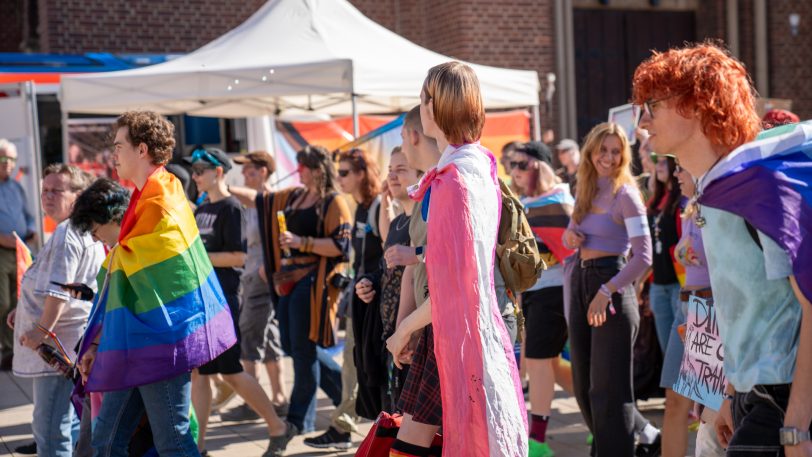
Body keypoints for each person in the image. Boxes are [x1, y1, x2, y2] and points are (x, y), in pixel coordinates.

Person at [75, 111, 293, 457]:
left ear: (141, 149)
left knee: (172, 442)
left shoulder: (162, 197)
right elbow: (131, 264)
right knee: (105, 441)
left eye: (119, 146)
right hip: (137, 338)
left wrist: (114, 260)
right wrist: (99, 338)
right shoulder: (150, 194)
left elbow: (146, 265)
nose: (112, 155)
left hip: (161, 340)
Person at [634, 42, 812, 457]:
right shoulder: (716, 190)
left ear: (695, 105)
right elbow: (742, 312)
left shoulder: (756, 187)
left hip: (784, 398)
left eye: (652, 104)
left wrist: (798, 422)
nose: (643, 121)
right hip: (751, 395)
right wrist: (731, 393)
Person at [386, 62, 527, 457]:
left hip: (456, 332)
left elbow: (454, 287)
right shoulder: (479, 164)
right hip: (468, 329)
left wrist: (402, 331)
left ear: (434, 107)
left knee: (429, 442)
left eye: (423, 98)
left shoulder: (454, 179)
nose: (421, 106)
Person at [232, 145, 348, 435]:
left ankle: (298, 420)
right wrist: (223, 188)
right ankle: (347, 395)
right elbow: (260, 200)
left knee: (303, 350)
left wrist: (301, 242)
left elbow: (341, 246)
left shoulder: (332, 202)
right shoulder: (295, 196)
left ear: (318, 170)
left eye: (304, 167)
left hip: (312, 282)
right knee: (294, 345)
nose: (299, 171)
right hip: (287, 281)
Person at [562, 122, 660, 456]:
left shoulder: (626, 194)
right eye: (603, 149)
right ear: (590, 151)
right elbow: (570, 234)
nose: (608, 157)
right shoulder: (585, 187)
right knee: (585, 388)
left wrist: (606, 291)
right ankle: (620, 445)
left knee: (608, 392)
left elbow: (643, 255)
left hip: (611, 286)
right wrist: (569, 237)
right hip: (581, 280)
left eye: (616, 151)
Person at [187, 147, 293, 454]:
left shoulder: (232, 209)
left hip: (222, 300)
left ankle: (278, 425)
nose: (195, 176)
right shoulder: (202, 209)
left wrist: (197, 258)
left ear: (218, 171)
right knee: (201, 373)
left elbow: (239, 256)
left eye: (200, 170)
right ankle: (200, 444)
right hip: (202, 299)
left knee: (231, 372)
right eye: (193, 170)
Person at [4, 164, 100, 457]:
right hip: (67, 344)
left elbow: (60, 290)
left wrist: (40, 330)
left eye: (57, 190)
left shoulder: (67, 233)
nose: (47, 196)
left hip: (55, 349)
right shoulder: (76, 230)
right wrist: (22, 311)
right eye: (44, 190)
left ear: (78, 195)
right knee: (66, 423)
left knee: (49, 430)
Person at [303, 147, 383, 449]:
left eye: (345, 172)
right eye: (338, 172)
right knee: (353, 364)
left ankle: (348, 427)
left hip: (375, 302)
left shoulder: (377, 205)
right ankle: (345, 427)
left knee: (361, 365)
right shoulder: (361, 206)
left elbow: (387, 256)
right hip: (361, 298)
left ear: (363, 173)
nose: (340, 178)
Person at [509, 141, 575, 457]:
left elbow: (572, 250)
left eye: (522, 164)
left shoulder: (559, 200)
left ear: (540, 166)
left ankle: (537, 441)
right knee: (552, 366)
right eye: (512, 164)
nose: (515, 171)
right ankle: (606, 419)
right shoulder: (523, 203)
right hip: (535, 294)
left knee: (536, 362)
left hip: (557, 291)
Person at [219, 151, 288, 422]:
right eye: (244, 171)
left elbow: (284, 238)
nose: (245, 175)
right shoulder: (248, 205)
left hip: (262, 277)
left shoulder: (272, 201)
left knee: (248, 333)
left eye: (249, 171)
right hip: (250, 277)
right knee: (268, 336)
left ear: (263, 171)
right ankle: (279, 397)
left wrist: (271, 265)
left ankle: (253, 402)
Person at [354, 146, 421, 412]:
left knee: (407, 420)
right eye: (390, 170)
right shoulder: (398, 222)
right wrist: (369, 283)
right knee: (390, 413)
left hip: (410, 339)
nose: (392, 176)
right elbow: (387, 254)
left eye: (401, 170)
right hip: (390, 336)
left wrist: (407, 332)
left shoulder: (421, 219)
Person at [0, 139, 36, 371]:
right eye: (4, 159)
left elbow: (28, 215)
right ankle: (7, 349)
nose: (9, 164)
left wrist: (31, 230)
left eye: (12, 159)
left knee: (18, 300)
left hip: (20, 252)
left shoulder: (16, 187)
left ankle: (15, 347)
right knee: (2, 302)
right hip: (1, 252)